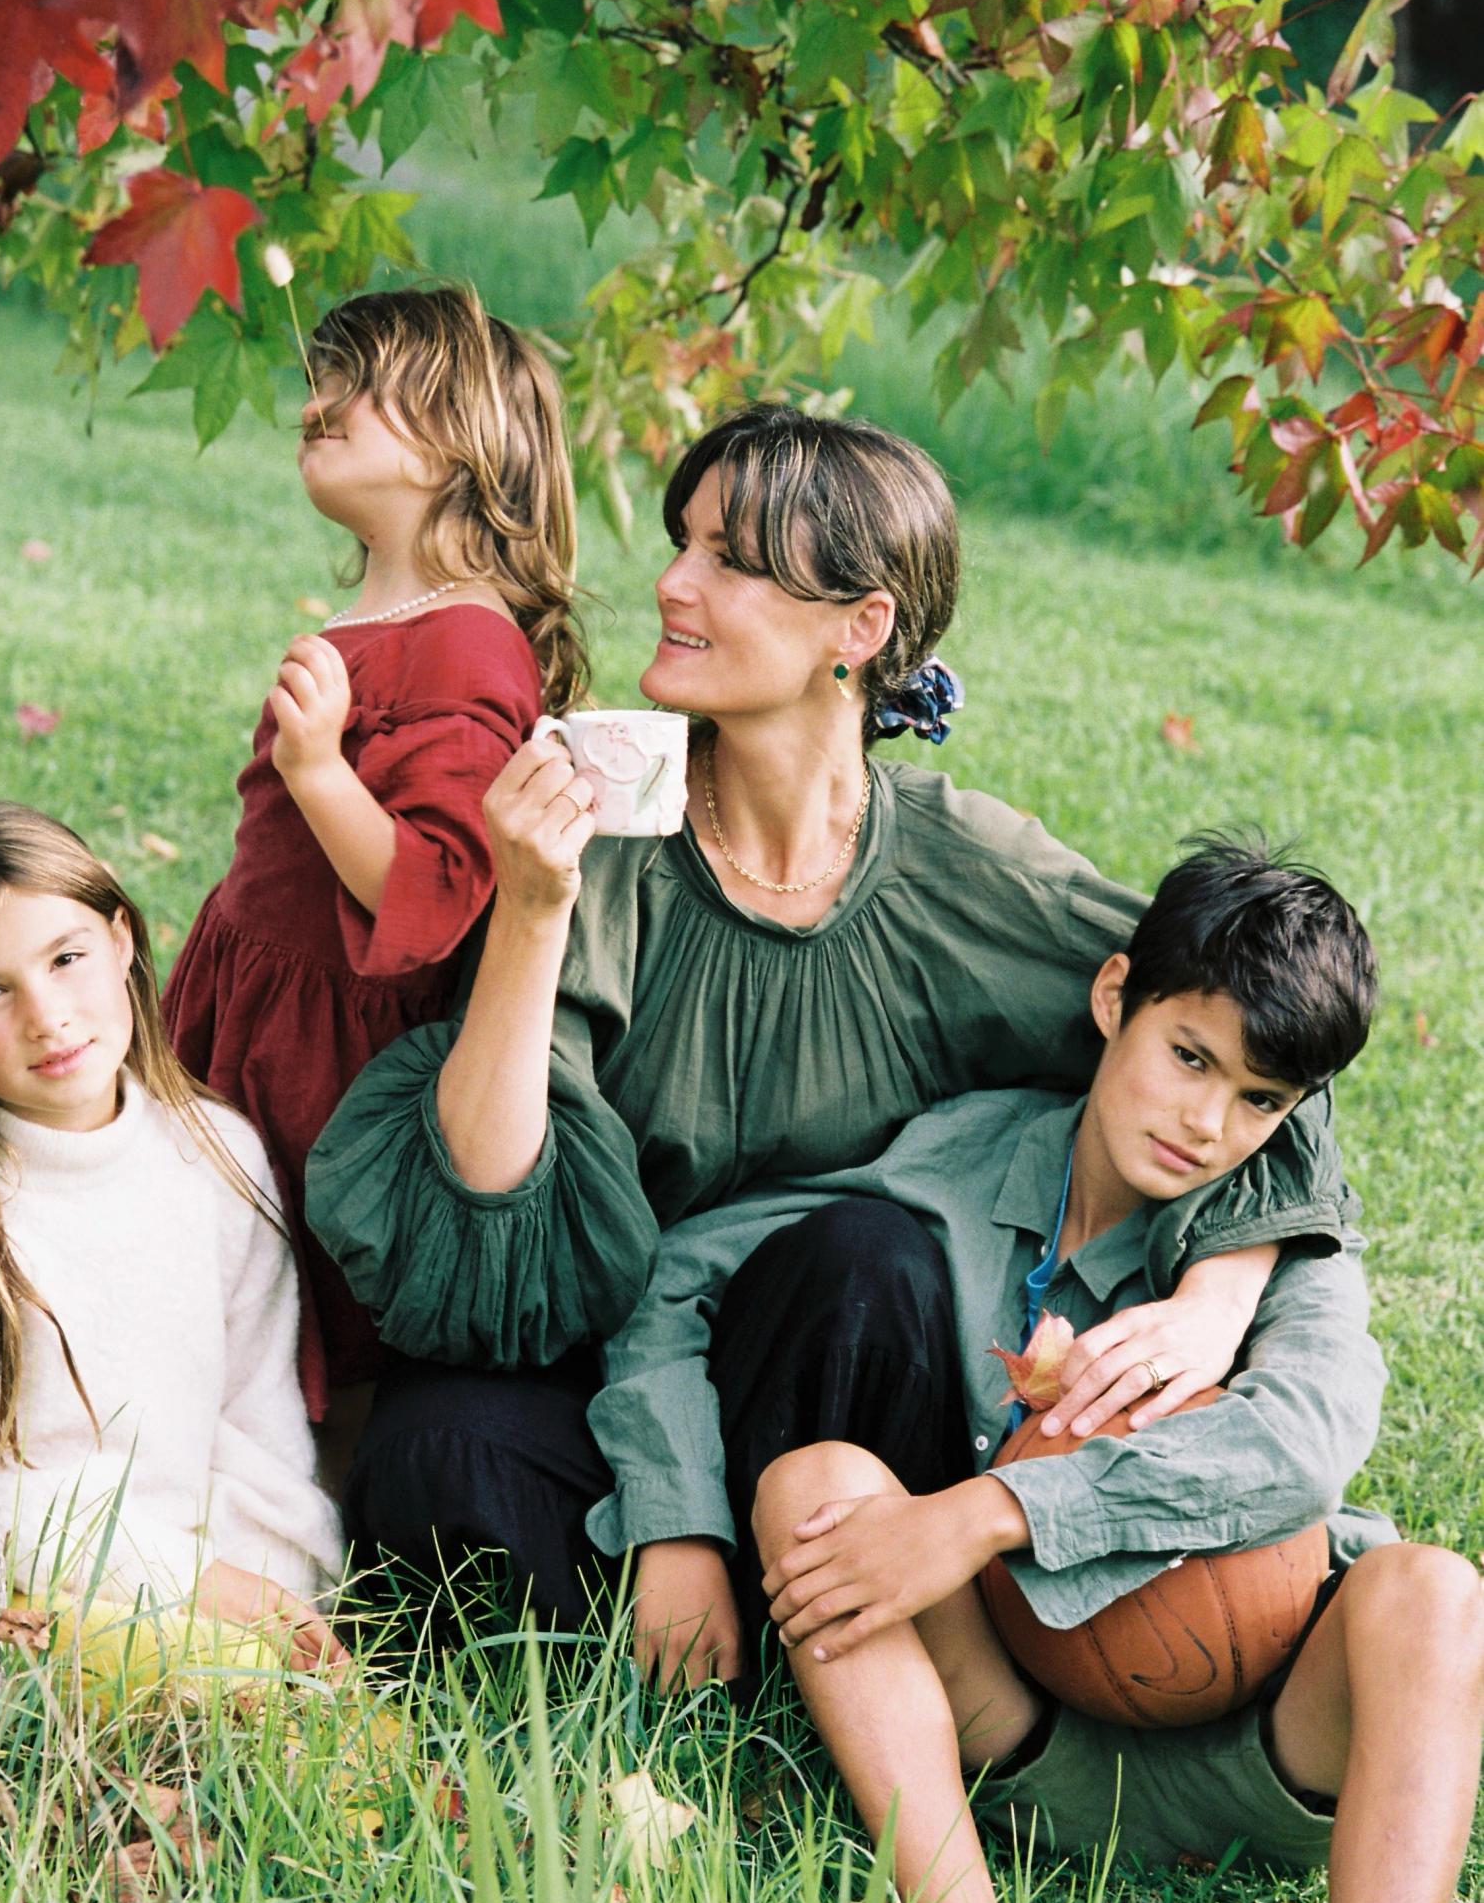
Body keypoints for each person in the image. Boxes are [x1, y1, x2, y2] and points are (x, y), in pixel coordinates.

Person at [308, 404, 1353, 1654]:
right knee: (438, 1458)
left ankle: (827, 1625)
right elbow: (486, 1203)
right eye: (682, 542)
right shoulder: (605, 844)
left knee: (865, 1259)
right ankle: (691, 1620)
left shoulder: (969, 872)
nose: (672, 584)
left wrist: (1219, 1299)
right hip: (614, 1373)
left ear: (859, 629)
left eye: (732, 563)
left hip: (846, 1394)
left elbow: (1243, 1044)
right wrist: (533, 907)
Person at [591, 839, 1484, 1903]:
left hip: (1264, 1739)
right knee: (817, 1483)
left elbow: (1308, 1436)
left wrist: (999, 1508)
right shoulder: (966, 1154)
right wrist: (676, 1523)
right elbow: (684, 1280)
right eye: (1188, 1058)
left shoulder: (1273, 1241)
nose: (1207, 1123)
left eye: (1259, 1100)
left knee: (1437, 1594)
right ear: (1114, 997)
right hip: (1019, 1733)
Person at [163, 285, 585, 1449]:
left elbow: (441, 888)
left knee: (312, 1297)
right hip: (252, 998)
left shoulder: (467, 637)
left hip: (327, 1051)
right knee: (227, 1270)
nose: (315, 401)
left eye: (356, 386)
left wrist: (318, 771)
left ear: (454, 437)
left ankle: (323, 1535)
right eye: (318, 380)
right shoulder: (400, 618)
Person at [0, 801, 344, 1686]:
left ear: (122, 940)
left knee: (286, 1708)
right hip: (31, 1595)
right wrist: (188, 1583)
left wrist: (277, 1591)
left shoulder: (217, 1160)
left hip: (210, 1587)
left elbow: (262, 1433)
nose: (48, 1015)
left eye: (66, 959)